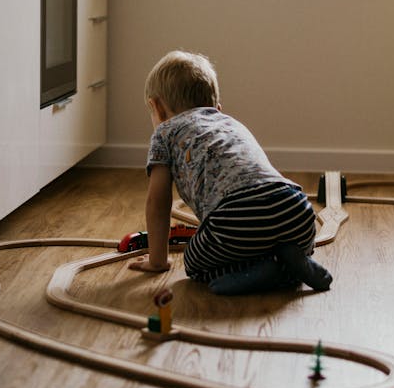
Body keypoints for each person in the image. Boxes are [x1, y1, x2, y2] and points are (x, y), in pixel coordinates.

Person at [128, 50, 332, 295]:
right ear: (217, 107)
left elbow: (157, 202)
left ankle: (262, 273)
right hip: (294, 209)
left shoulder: (164, 133)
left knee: (194, 262)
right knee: (280, 237)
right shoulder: (231, 123)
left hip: (237, 216)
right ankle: (293, 259)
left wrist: (157, 261)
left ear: (157, 108)